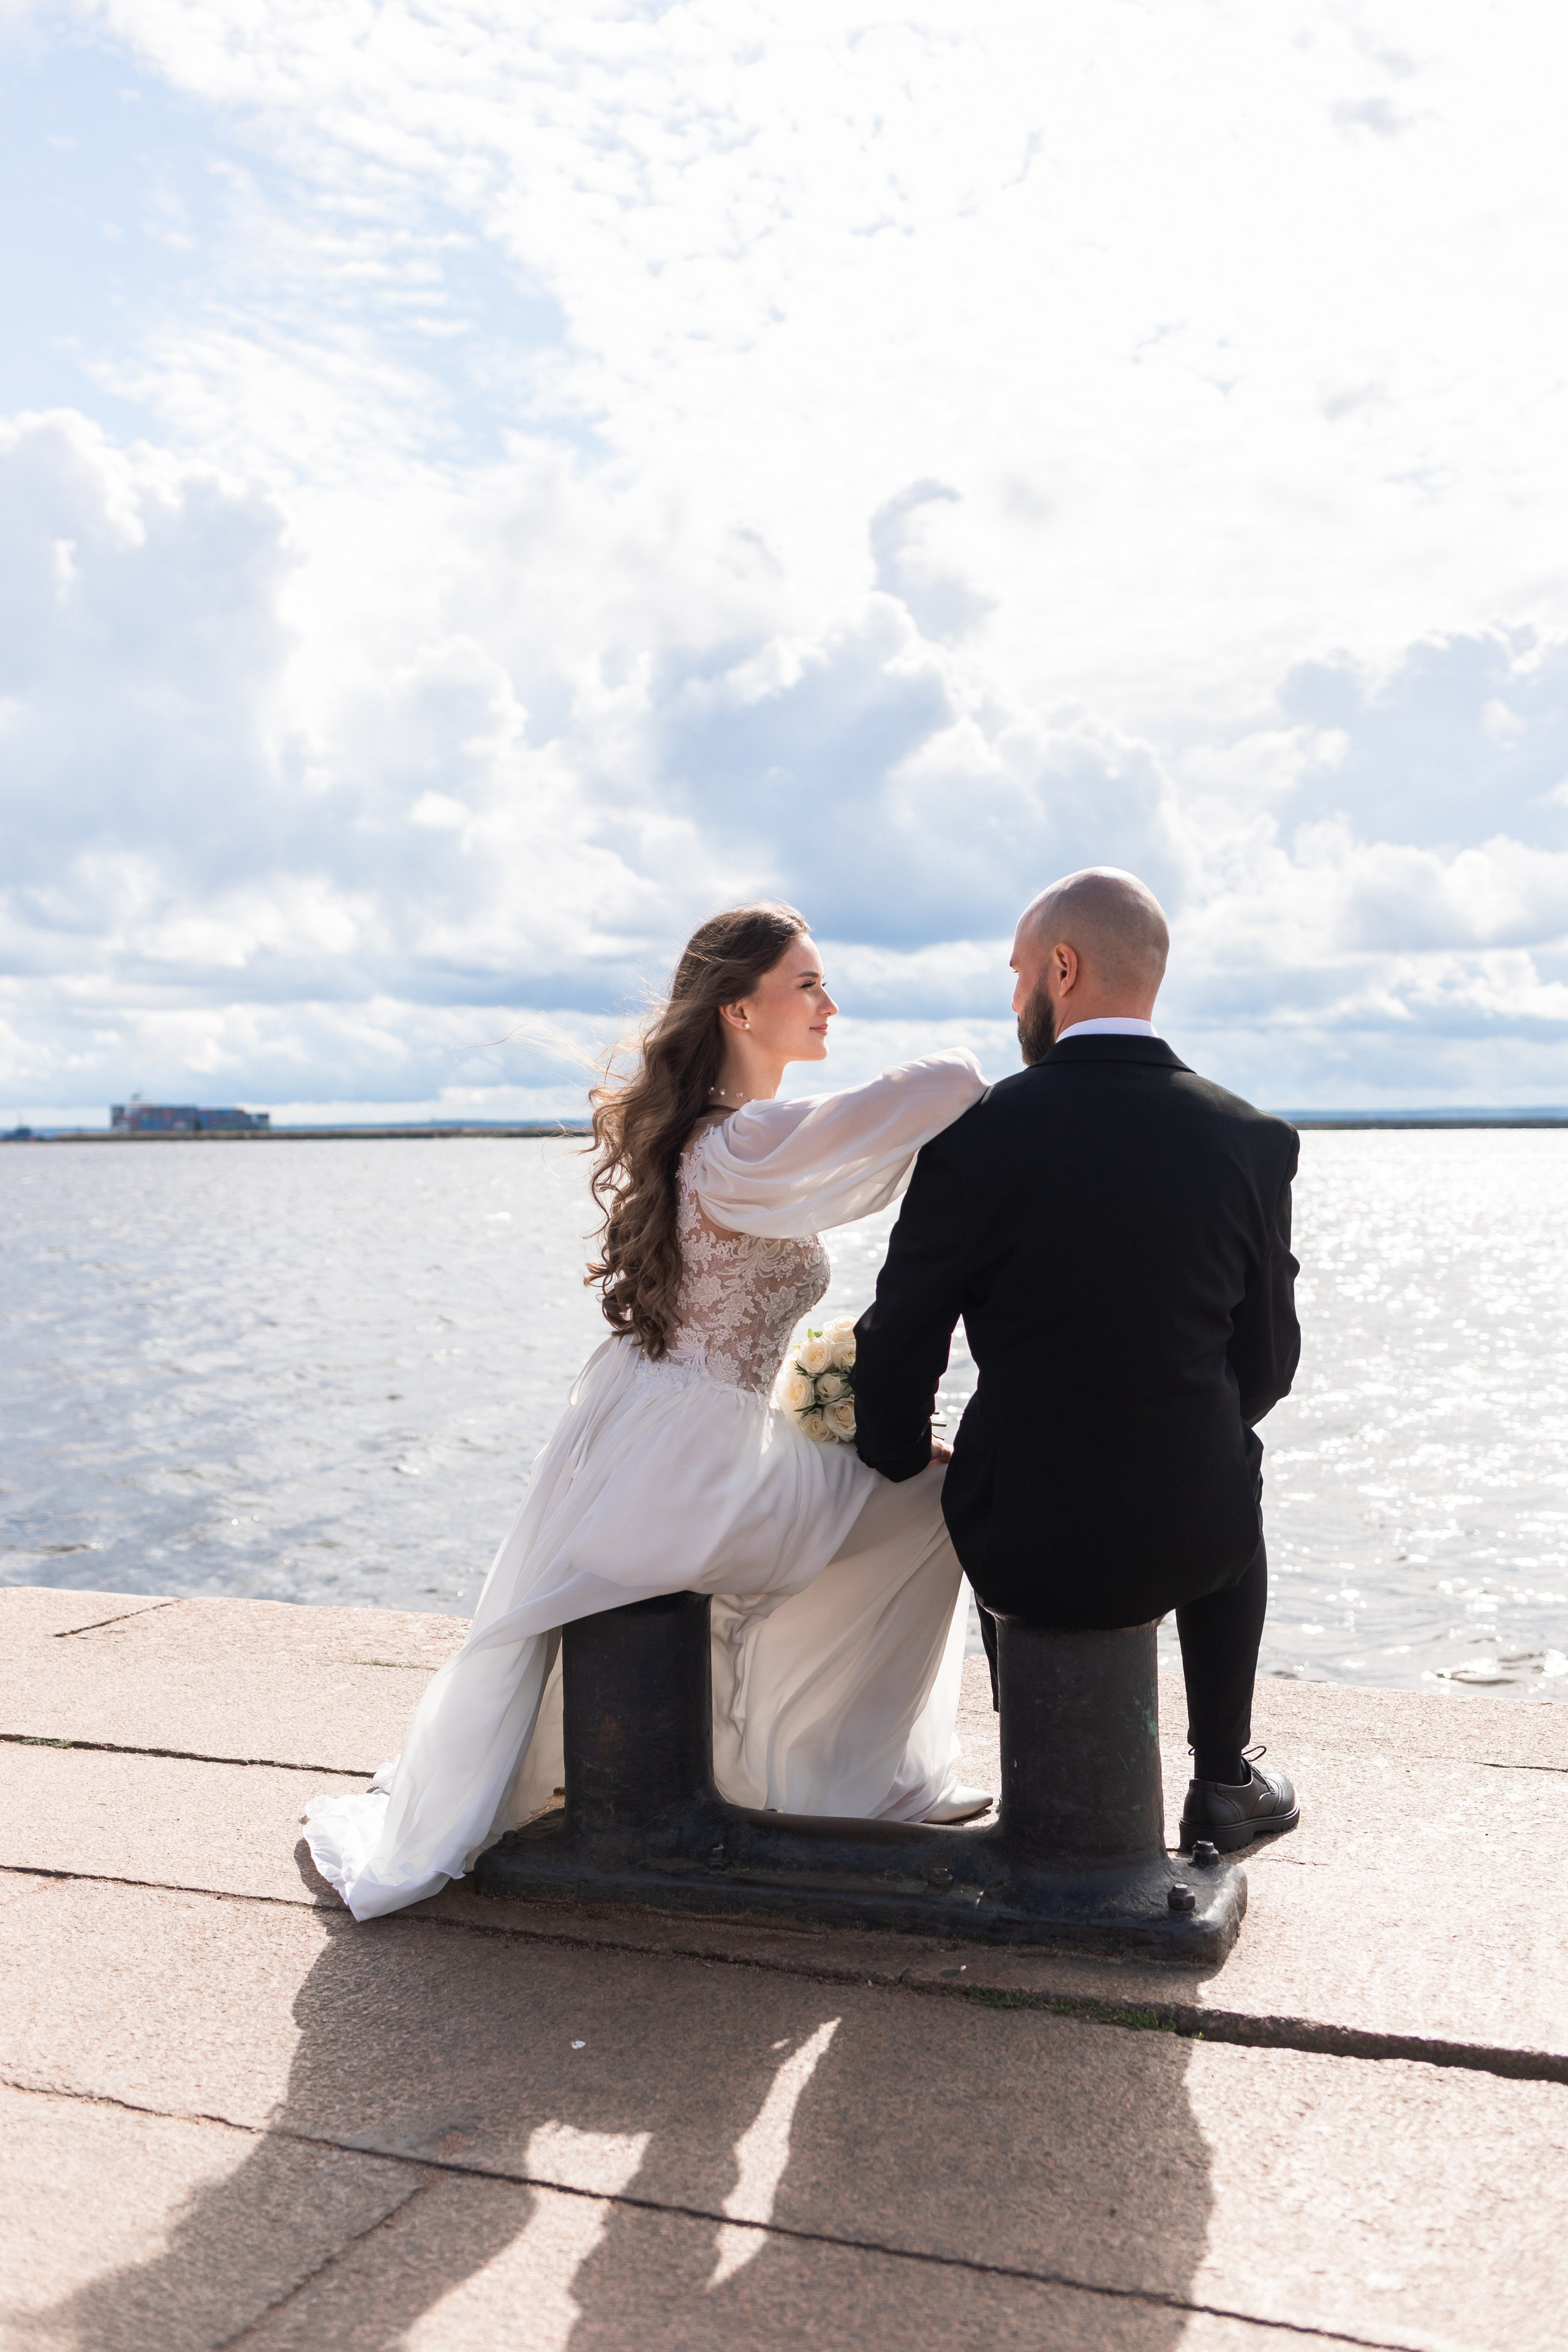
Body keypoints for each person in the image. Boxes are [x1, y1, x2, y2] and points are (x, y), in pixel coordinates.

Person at [305, 902, 992, 1921]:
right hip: (701, 1464)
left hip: (664, 1437)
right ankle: (842, 1773)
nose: (830, 1004)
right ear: (737, 1009)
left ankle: (810, 1762)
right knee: (942, 1500)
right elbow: (953, 1085)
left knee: (904, 1487)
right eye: (807, 985)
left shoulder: (712, 1138)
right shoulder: (745, 1141)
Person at [853, 867, 1302, 1855]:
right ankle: (1223, 1777)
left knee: (992, 1479)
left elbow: (900, 1341)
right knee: (1234, 1462)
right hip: (1195, 1529)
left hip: (1024, 1533)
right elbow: (1268, 1366)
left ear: (1065, 966)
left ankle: (1043, 1761)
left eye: (1019, 974)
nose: (1014, 998)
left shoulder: (975, 1135)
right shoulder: (1251, 1139)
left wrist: (890, 1452)